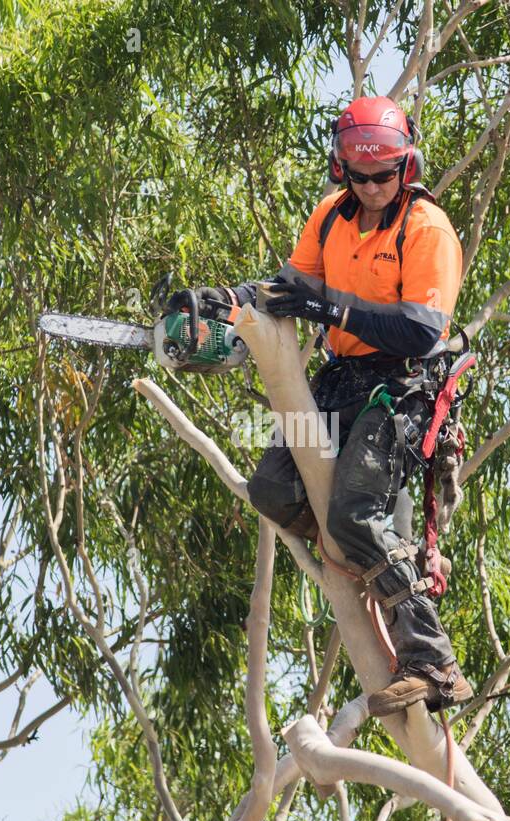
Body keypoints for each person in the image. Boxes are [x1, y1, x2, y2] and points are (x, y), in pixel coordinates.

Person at [170, 96, 471, 717]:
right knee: (273, 489)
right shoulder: (331, 217)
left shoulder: (426, 228)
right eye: (358, 176)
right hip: (344, 377)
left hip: (404, 383)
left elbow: (420, 329)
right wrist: (228, 299)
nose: (371, 187)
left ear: (405, 166)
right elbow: (291, 288)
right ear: (342, 171)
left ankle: (434, 661)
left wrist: (331, 311)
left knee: (356, 514)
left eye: (383, 175)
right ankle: (363, 553)